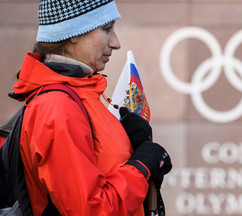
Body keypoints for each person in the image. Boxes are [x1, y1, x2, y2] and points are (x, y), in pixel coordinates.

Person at [10, 0, 172, 215]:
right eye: (106, 29)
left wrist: (133, 148)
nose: (116, 43)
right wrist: (142, 165)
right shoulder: (57, 107)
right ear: (73, 32)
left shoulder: (81, 95)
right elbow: (90, 209)